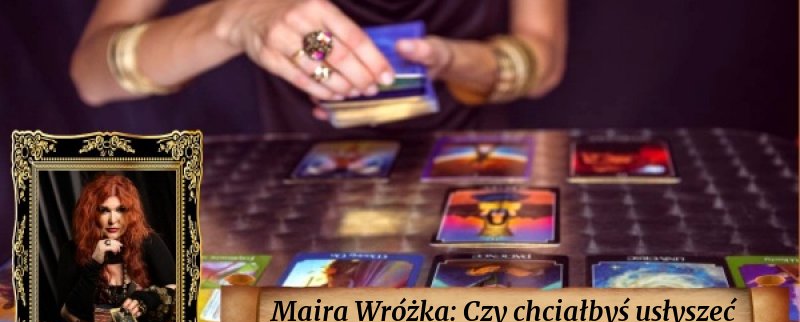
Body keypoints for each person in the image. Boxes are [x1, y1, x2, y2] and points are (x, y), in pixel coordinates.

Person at [70, 0, 567, 132]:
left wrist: (456, 60)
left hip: (471, 174)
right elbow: (91, 75)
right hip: (281, 187)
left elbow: (544, 61)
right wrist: (235, 20)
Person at [56, 174, 175, 322]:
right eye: (104, 210)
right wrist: (95, 262)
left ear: (131, 213)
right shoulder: (71, 250)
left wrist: (146, 299)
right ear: (91, 214)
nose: (113, 220)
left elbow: (177, 290)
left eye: (121, 210)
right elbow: (67, 313)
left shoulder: (148, 241)